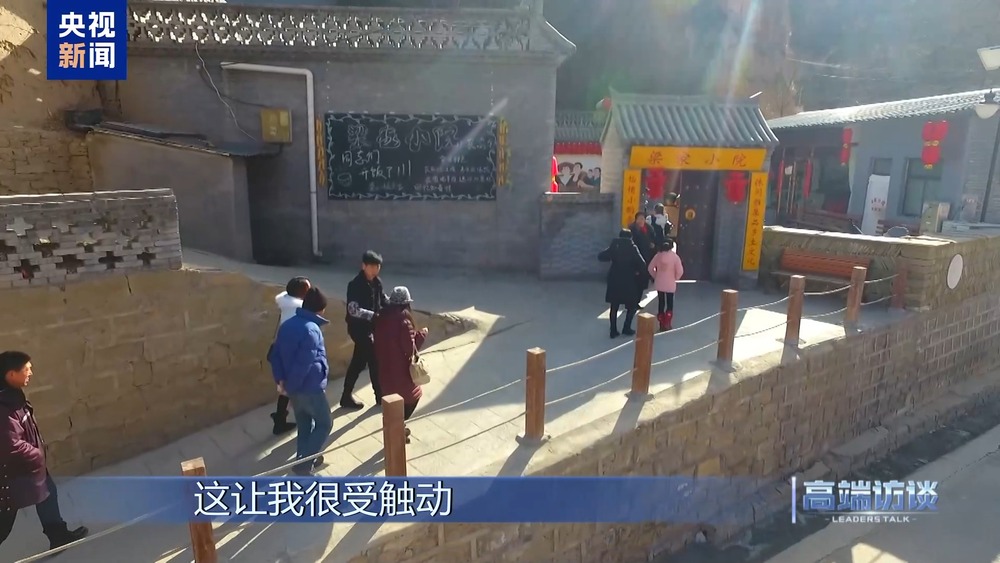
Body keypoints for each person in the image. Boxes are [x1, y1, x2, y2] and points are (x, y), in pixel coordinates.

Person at [0, 351, 88, 549]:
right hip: (11, 474)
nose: (31, 373)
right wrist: (36, 454)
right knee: (4, 521)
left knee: (48, 492)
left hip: (28, 466)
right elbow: (10, 445)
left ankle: (58, 535)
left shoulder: (12, 395)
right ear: (11, 374)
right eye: (26, 369)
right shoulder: (3, 406)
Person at [268, 288, 332, 476]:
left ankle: (304, 458)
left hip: (293, 387)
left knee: (304, 425)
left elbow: (275, 355)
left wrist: (281, 381)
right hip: (309, 388)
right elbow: (304, 364)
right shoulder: (312, 329)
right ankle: (304, 465)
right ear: (320, 309)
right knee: (324, 423)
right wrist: (291, 387)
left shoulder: (287, 325)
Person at [372, 287, 428, 443]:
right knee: (412, 398)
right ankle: (398, 432)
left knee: (392, 405)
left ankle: (397, 430)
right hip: (401, 373)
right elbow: (410, 349)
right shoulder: (404, 320)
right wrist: (422, 334)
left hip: (385, 370)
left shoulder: (381, 317)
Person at [342, 250, 389, 409]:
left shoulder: (377, 283)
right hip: (359, 328)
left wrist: (395, 305)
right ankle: (380, 396)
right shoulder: (355, 285)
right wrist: (373, 316)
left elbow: (383, 299)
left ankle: (345, 396)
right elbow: (353, 310)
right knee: (374, 360)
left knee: (358, 362)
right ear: (364, 266)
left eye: (378, 266)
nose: (375, 269)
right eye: (372, 266)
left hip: (372, 328)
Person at [269, 276, 310, 435]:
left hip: (283, 353)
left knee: (286, 389)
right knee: (299, 391)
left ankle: (280, 418)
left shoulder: (287, 306)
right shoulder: (298, 311)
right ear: (301, 292)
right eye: (308, 289)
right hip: (292, 356)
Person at [598, 229, 648, 338]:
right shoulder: (632, 247)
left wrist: (612, 256)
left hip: (614, 279)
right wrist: (637, 272)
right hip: (629, 280)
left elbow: (601, 256)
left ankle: (613, 330)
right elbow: (642, 263)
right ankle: (626, 328)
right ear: (630, 237)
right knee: (631, 306)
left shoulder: (614, 246)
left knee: (614, 306)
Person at [647, 239, 685, 332]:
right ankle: (667, 323)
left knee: (661, 303)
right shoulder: (675, 257)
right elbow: (680, 271)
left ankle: (661, 323)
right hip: (670, 283)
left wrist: (656, 276)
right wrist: (675, 278)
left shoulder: (657, 256)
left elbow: (650, 268)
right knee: (670, 303)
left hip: (660, 283)